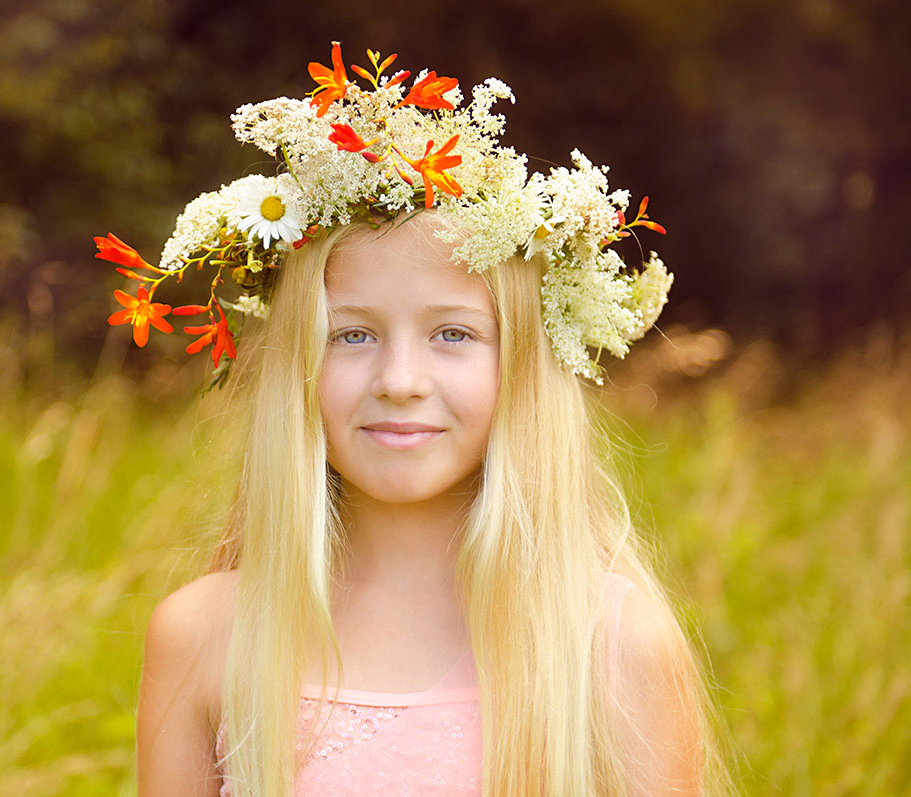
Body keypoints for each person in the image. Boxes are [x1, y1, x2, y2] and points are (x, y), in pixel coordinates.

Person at [99, 43, 726, 796]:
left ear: (523, 363)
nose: (399, 381)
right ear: (297, 362)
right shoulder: (206, 638)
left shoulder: (612, 645)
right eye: (352, 334)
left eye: (453, 334)